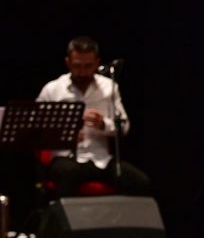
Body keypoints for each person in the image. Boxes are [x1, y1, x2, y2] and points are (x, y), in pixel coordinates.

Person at [36, 36, 150, 197]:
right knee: (69, 173)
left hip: (100, 159)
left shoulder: (109, 87)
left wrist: (104, 124)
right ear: (68, 62)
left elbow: (124, 127)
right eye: (77, 66)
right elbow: (36, 128)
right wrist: (64, 135)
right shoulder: (53, 89)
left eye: (88, 66)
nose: (82, 72)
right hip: (65, 158)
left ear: (97, 63)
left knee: (139, 181)